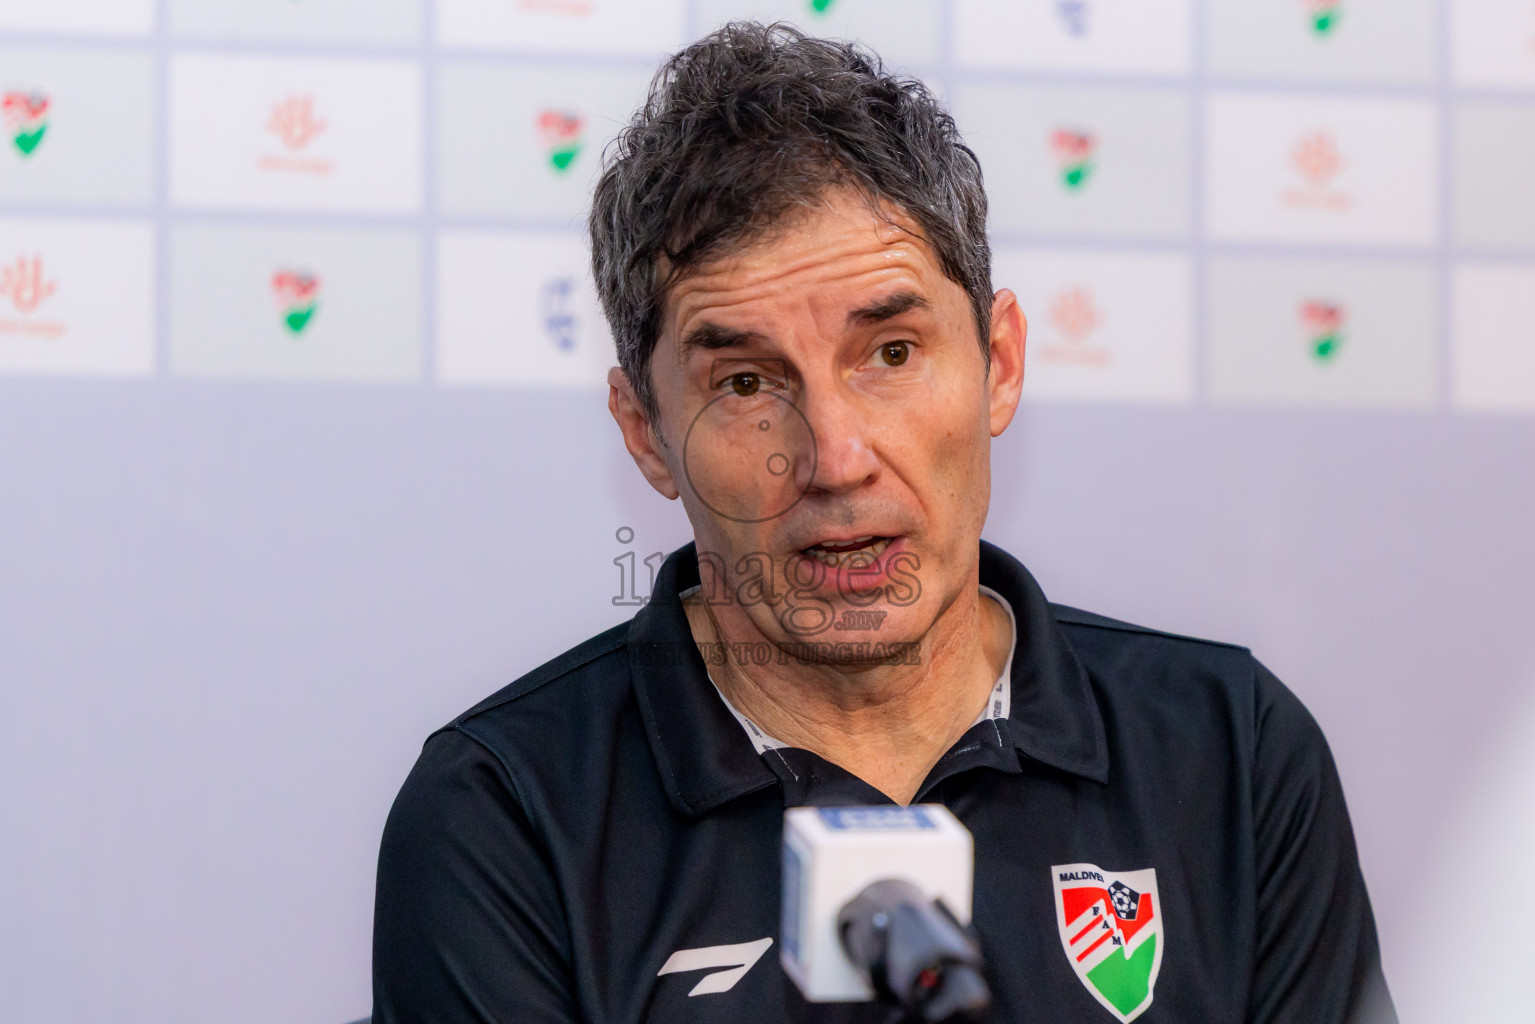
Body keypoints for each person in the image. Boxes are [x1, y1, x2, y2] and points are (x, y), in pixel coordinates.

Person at [373, 22, 1395, 1024]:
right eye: (742, 381)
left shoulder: (1231, 753)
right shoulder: (502, 816)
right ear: (644, 431)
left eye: (891, 353)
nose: (835, 456)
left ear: (997, 363)